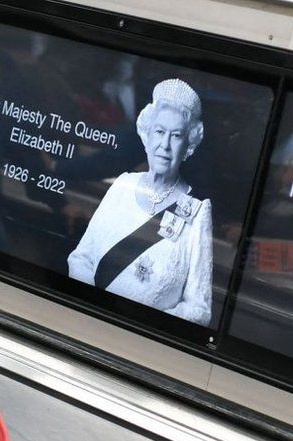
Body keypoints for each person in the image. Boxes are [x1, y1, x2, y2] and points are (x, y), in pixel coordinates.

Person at [67, 78, 213, 326]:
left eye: (176, 136)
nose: (164, 146)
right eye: (159, 132)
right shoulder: (123, 185)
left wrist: (147, 325)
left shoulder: (197, 212)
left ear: (188, 145)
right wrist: (90, 306)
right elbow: (81, 258)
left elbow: (199, 309)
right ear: (146, 134)